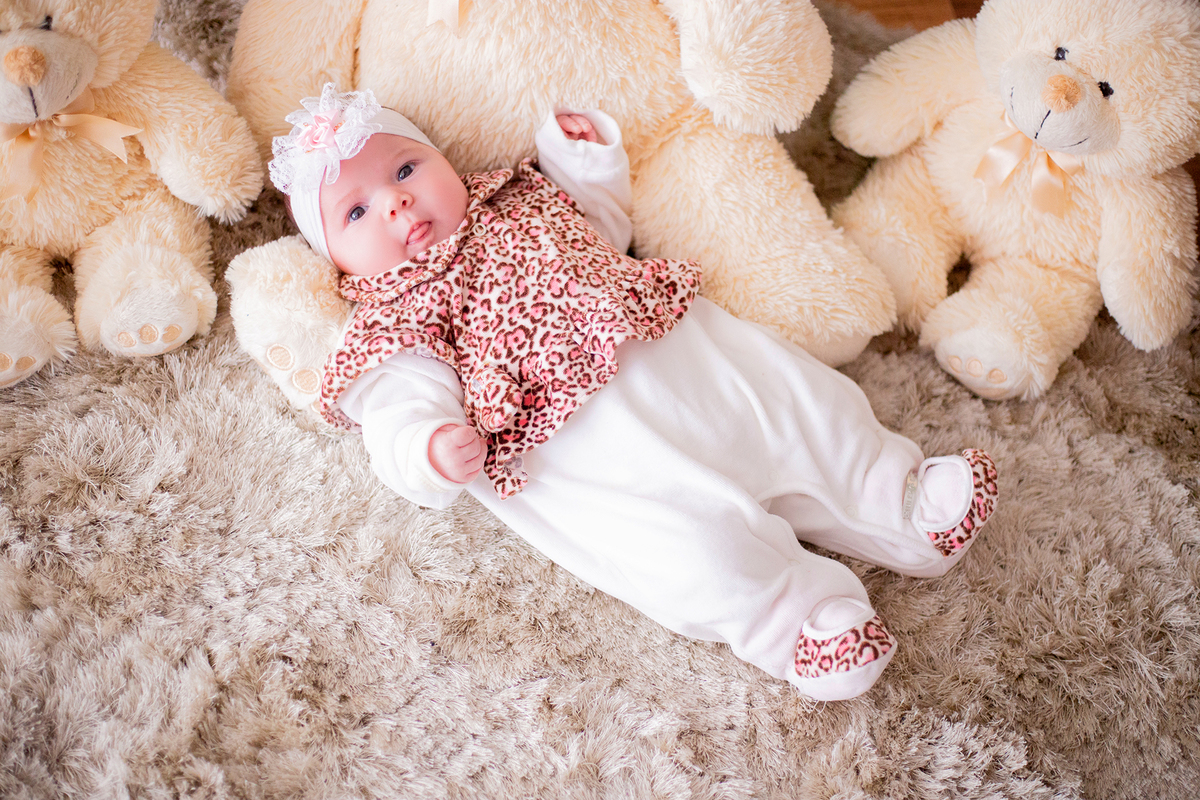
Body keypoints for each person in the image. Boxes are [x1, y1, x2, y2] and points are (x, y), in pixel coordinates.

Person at [266, 84, 999, 701]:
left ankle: (898, 500)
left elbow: (603, 227)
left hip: (687, 359)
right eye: (356, 213)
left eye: (405, 168)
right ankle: (798, 620)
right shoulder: (392, 322)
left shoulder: (519, 198)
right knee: (689, 552)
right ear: (339, 265)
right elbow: (397, 413)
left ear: (442, 162)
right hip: (595, 458)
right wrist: (426, 448)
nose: (396, 202)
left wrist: (579, 159)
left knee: (801, 407)